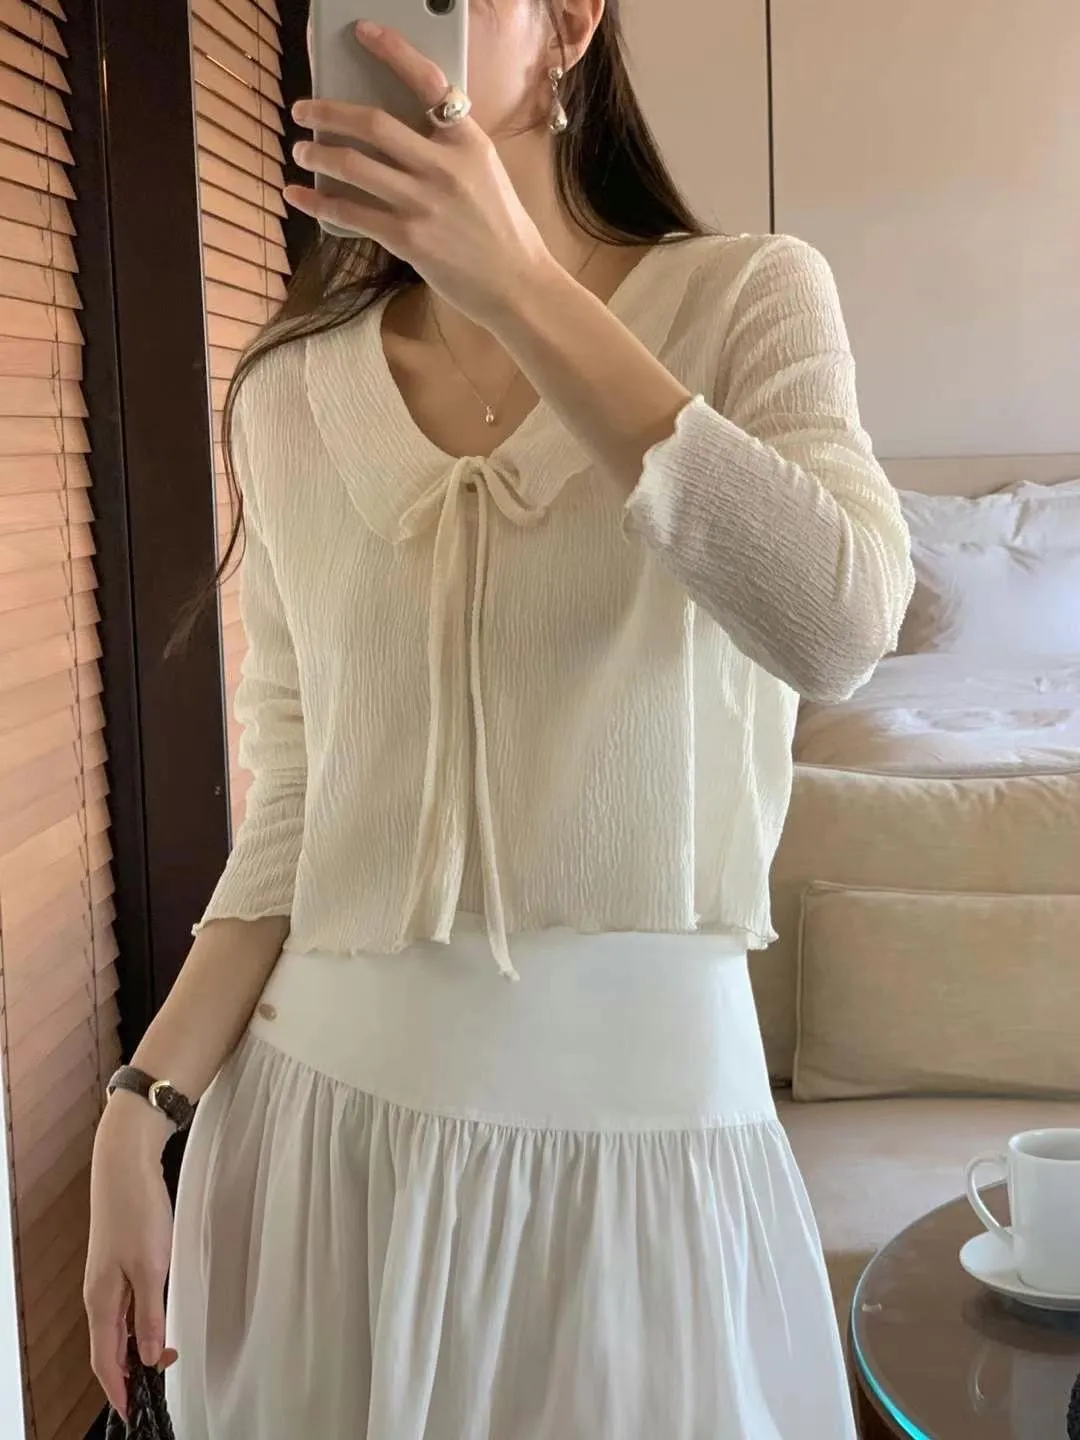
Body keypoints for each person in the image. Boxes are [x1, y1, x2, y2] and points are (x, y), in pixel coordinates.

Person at [84, 2, 913, 1437]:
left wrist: (523, 285)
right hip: (321, 1153)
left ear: (570, 20)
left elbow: (839, 628)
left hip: (642, 1170)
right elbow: (295, 803)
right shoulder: (289, 391)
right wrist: (138, 1105)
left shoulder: (749, 299)